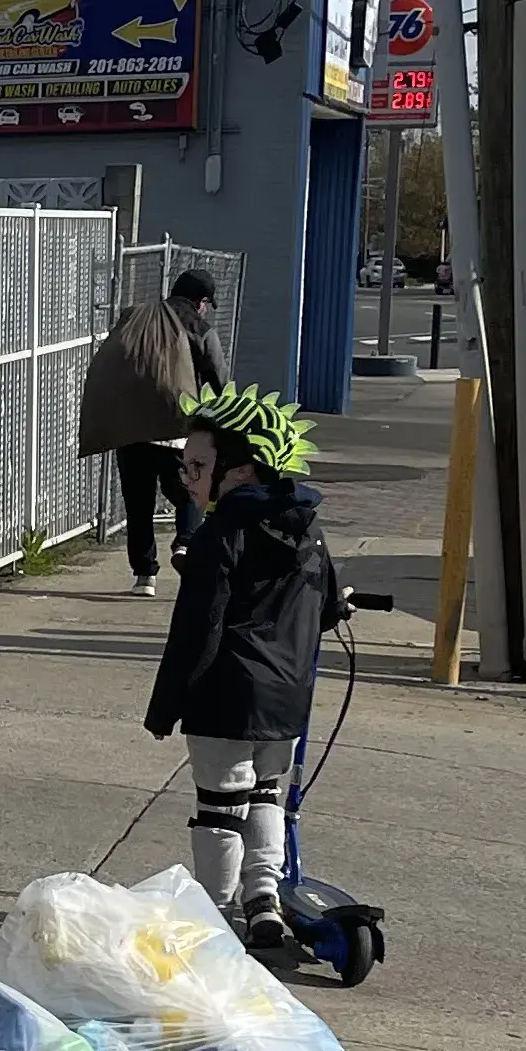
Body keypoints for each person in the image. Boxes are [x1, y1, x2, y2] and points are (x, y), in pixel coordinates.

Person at [144, 382, 338, 958]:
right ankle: (263, 901)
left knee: (219, 805)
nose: (190, 479)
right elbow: (327, 608)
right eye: (186, 467)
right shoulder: (308, 527)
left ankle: (215, 912)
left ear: (242, 469)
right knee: (266, 795)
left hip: (225, 693)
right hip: (286, 699)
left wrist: (166, 705)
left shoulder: (220, 535)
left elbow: (196, 630)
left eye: (199, 465)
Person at [75, 267, 226, 600]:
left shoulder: (135, 318)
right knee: (193, 490)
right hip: (176, 427)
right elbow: (220, 381)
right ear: (200, 302)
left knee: (138, 503)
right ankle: (185, 543)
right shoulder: (199, 329)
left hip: (129, 428)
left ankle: (144, 576)